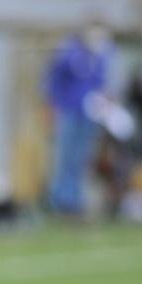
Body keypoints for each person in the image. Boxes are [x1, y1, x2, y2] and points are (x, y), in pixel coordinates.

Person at [44, 19, 113, 216]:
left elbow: (101, 85)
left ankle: (75, 200)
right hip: (69, 112)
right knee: (66, 157)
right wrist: (52, 105)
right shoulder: (69, 52)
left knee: (81, 159)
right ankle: (61, 201)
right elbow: (53, 81)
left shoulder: (100, 56)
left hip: (90, 114)